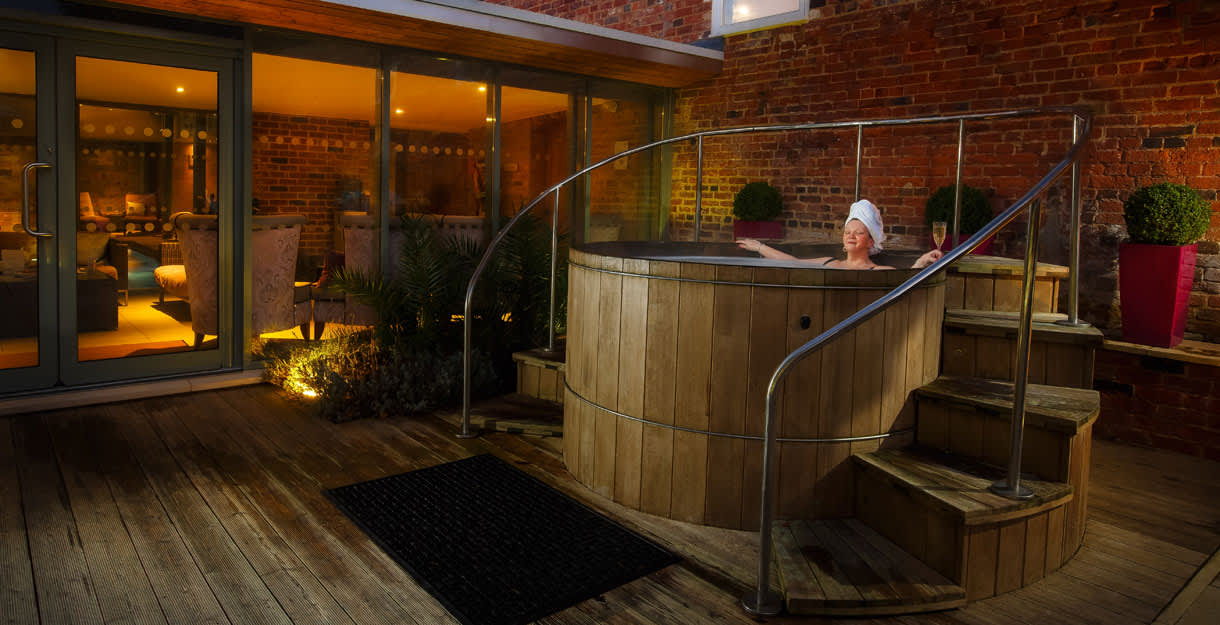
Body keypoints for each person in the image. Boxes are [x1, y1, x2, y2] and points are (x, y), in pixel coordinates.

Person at [736, 199, 942, 270]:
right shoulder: (830, 263)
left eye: (858, 233)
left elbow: (905, 282)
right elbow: (793, 261)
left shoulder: (878, 271)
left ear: (870, 241)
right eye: (847, 232)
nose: (851, 236)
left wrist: (921, 261)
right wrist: (759, 247)